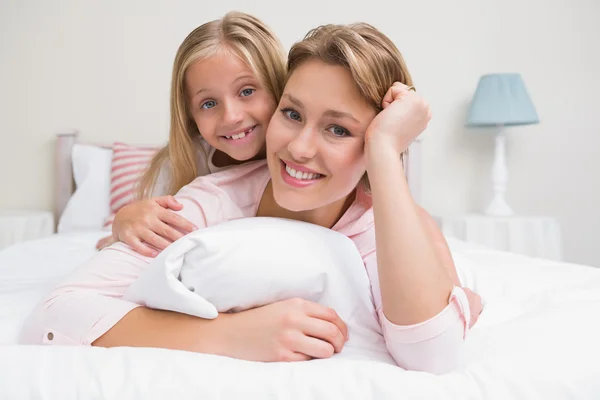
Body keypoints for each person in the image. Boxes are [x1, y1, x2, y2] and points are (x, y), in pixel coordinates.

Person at [20, 22, 481, 374]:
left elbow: (433, 356)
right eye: (292, 113)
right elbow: (52, 320)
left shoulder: (382, 220)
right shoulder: (206, 201)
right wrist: (231, 335)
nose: (299, 148)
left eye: (339, 128)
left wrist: (385, 151)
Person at [95, 11, 286, 255]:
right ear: (190, 115)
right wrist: (122, 221)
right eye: (208, 103)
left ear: (277, 87)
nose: (231, 116)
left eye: (247, 91)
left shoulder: (298, 156)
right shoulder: (181, 164)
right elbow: (148, 230)